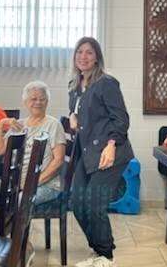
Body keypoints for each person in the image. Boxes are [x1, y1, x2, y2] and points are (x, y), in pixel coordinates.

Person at [69, 37, 134, 267]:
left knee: (95, 203)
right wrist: (72, 117)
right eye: (79, 52)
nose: (83, 57)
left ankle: (106, 256)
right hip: (86, 155)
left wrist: (111, 145)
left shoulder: (106, 83)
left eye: (89, 52)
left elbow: (121, 118)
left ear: (97, 57)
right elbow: (77, 114)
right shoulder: (75, 86)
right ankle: (99, 250)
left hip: (110, 152)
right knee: (77, 204)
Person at [0, 80, 66, 207]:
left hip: (45, 184)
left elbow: (58, 161)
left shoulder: (53, 124)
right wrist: (2, 124)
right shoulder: (19, 124)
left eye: (42, 99)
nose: (38, 102)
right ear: (25, 102)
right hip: (15, 181)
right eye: (33, 99)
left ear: (47, 102)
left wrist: (32, 183)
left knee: (20, 200)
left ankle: (12, 226)